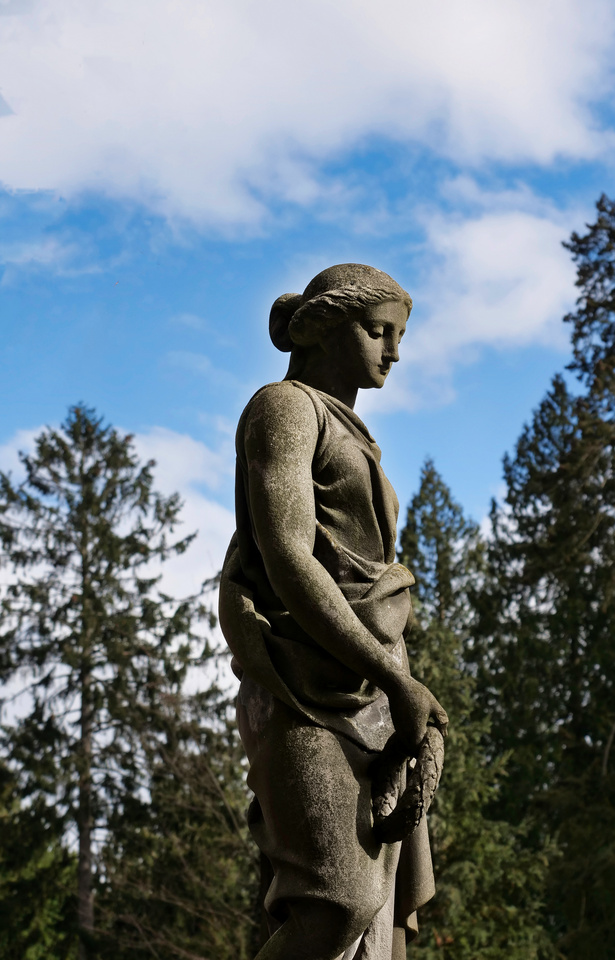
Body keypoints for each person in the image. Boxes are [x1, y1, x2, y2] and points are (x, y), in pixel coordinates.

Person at [218, 264, 447, 960]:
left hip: (368, 688)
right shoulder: (284, 408)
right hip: (303, 683)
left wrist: (396, 682)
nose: (394, 353)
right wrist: (393, 675)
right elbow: (288, 557)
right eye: (378, 331)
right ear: (321, 328)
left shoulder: (355, 432)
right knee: (338, 898)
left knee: (376, 925)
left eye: (399, 336)